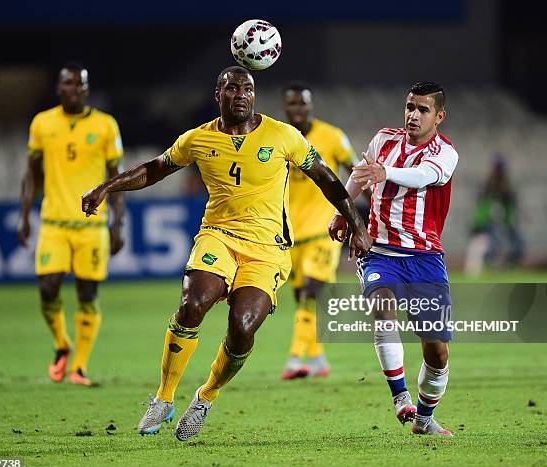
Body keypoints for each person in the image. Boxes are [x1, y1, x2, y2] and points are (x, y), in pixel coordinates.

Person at [81, 66, 372, 441]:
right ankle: (164, 398)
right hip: (218, 236)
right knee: (193, 303)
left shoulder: (284, 136)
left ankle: (205, 397)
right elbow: (155, 169)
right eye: (232, 88)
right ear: (217, 95)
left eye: (247, 88)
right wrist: (107, 187)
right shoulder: (197, 139)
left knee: (243, 326)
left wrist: (357, 224)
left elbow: (328, 179)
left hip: (268, 248)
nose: (241, 94)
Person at [329, 82, 458, 436]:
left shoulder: (446, 153)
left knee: (437, 352)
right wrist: (344, 212)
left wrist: (386, 173)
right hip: (380, 252)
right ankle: (401, 397)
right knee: (383, 311)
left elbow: (424, 176)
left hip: (425, 258)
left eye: (423, 110)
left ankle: (425, 418)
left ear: (439, 116)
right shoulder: (383, 140)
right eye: (409, 107)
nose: (413, 115)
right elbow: (358, 174)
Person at [17, 62, 125, 386]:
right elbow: (32, 174)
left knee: (87, 294)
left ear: (86, 89)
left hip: (92, 226)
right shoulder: (42, 123)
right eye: (68, 84)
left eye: (79, 85)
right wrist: (24, 215)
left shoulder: (106, 126)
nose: (73, 89)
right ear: (58, 87)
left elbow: (116, 178)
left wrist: (118, 223)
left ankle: (78, 366)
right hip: (53, 223)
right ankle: (62, 344)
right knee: (47, 288)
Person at [281, 84, 357, 380]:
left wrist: (360, 214)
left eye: (302, 104)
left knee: (311, 292)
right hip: (291, 235)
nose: (297, 109)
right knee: (302, 297)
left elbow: (356, 171)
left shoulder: (333, 136)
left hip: (324, 231)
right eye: (292, 104)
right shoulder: (279, 139)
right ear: (285, 108)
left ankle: (294, 358)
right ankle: (316, 358)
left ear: (310, 106)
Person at [464, 155, 524, 276]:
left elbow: (509, 209)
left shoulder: (506, 188)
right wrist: (478, 223)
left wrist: (509, 223)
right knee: (481, 248)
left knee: (512, 244)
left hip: (498, 224)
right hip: (485, 224)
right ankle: (484, 269)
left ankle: (500, 267)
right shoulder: (488, 186)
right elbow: (482, 208)